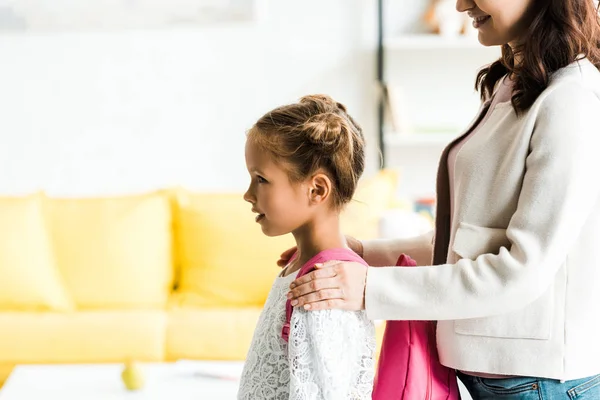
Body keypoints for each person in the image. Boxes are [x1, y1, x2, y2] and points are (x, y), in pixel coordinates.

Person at [285, 0, 600, 398]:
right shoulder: (516, 83)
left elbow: (521, 270)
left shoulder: (571, 100)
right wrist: (359, 252)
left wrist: (370, 287)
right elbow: (467, 241)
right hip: (503, 377)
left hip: (540, 383)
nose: (460, 4)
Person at [237, 95, 376, 399]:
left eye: (261, 179)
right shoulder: (303, 269)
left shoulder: (324, 289)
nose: (248, 194)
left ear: (317, 189)